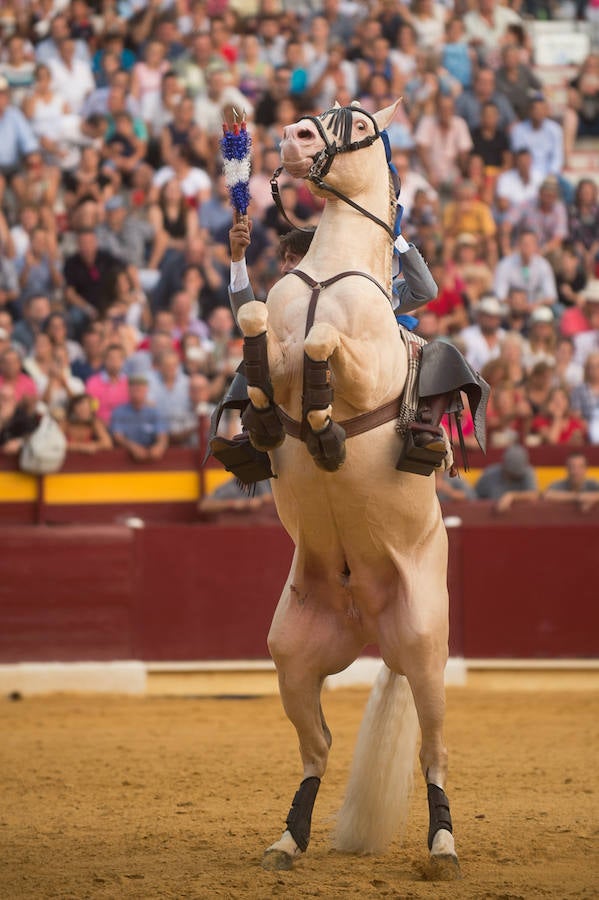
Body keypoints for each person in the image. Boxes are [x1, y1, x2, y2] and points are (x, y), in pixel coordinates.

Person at [110, 372, 168, 462]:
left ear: (146, 390)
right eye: (134, 389)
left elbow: (162, 434)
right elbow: (117, 436)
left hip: (151, 456)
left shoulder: (154, 412)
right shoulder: (119, 412)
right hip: (125, 459)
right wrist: (132, 447)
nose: (137, 393)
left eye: (140, 389)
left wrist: (159, 446)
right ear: (129, 391)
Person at [474, 443, 538, 512]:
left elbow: (533, 495)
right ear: (504, 467)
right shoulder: (489, 475)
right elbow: (474, 499)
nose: (516, 476)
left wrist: (512, 496)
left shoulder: (527, 472)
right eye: (512, 473)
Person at [86, 343, 129, 426]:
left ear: (123, 361)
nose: (115, 362)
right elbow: (92, 408)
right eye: (111, 358)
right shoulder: (93, 382)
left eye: (119, 358)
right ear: (104, 360)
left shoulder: (129, 383)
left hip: (125, 425)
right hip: (101, 424)